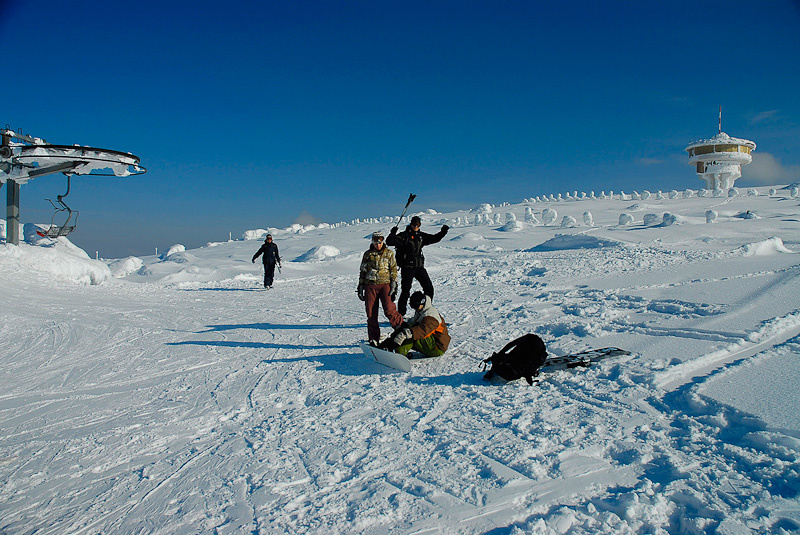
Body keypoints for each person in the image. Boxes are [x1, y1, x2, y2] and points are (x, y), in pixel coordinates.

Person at [386, 215, 449, 315]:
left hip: (419, 267)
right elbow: (389, 242)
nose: (416, 226)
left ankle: (425, 310)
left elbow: (434, 238)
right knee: (406, 291)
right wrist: (392, 233)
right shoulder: (404, 236)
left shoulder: (421, 236)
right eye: (414, 224)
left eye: (418, 224)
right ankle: (401, 315)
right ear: (411, 224)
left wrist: (443, 232)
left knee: (429, 288)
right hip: (407, 268)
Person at [358, 231, 404, 345]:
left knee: (389, 309)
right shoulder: (367, 254)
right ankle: (374, 337)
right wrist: (361, 285)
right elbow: (363, 270)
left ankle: (401, 331)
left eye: (380, 241)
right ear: (372, 241)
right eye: (375, 241)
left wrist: (394, 283)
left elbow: (393, 269)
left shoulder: (388, 253)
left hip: (385, 284)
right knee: (371, 312)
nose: (378, 244)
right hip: (371, 286)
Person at [379, 292, 450, 357]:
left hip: (437, 347)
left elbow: (423, 331)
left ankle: (398, 353)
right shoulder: (422, 310)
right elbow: (411, 323)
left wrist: (404, 334)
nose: (415, 309)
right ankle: (386, 346)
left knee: (410, 333)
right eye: (412, 307)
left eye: (415, 307)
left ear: (422, 303)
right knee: (405, 329)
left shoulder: (431, 316)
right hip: (430, 343)